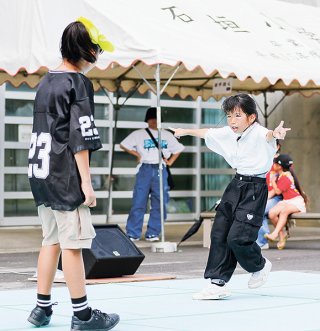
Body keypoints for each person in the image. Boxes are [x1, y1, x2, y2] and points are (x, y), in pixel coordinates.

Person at [27, 17, 120, 330]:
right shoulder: (77, 83)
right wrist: (87, 183)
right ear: (87, 50)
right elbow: (79, 138)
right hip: (66, 177)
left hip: (41, 175)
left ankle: (41, 309)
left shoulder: (46, 81)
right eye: (96, 49)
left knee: (50, 241)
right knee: (73, 246)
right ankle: (82, 315)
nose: (98, 55)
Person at [171, 94, 290, 300]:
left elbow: (269, 135)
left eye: (237, 115)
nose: (232, 120)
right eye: (229, 115)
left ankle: (259, 265)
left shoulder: (260, 132)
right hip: (236, 185)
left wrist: (276, 133)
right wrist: (186, 131)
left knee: (238, 238)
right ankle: (217, 284)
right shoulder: (230, 132)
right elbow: (208, 132)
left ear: (251, 117)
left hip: (255, 189)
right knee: (219, 232)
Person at [120, 107, 184, 241]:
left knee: (160, 202)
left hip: (161, 169)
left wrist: (170, 161)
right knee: (139, 201)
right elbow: (124, 144)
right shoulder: (139, 134)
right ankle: (133, 233)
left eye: (156, 118)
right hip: (145, 168)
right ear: (147, 120)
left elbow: (179, 149)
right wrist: (137, 154)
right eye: (152, 118)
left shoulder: (166, 134)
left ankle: (153, 233)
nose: (154, 121)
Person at [265, 154, 307, 249]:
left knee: (284, 212)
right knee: (272, 213)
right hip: (287, 201)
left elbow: (278, 191)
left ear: (279, 166)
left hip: (296, 202)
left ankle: (275, 234)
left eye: (275, 163)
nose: (273, 165)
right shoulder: (281, 175)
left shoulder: (285, 177)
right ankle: (282, 234)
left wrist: (274, 182)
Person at [256, 140, 282, 249]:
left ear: (278, 146)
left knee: (259, 208)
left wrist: (263, 199)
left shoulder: (281, 161)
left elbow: (278, 189)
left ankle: (262, 242)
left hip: (278, 198)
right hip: (266, 196)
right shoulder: (264, 160)